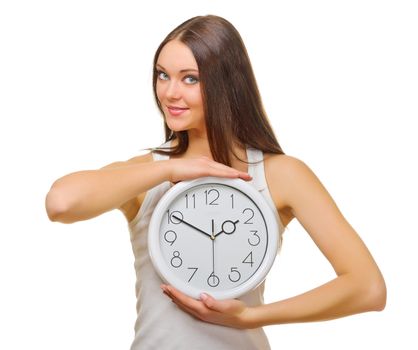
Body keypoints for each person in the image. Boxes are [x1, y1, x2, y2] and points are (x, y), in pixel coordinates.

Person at [45, 15, 386, 350]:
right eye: (163, 75)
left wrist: (251, 317)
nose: (169, 92)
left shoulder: (280, 174)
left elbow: (368, 288)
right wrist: (170, 170)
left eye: (189, 79)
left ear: (226, 83)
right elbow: (61, 203)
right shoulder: (147, 173)